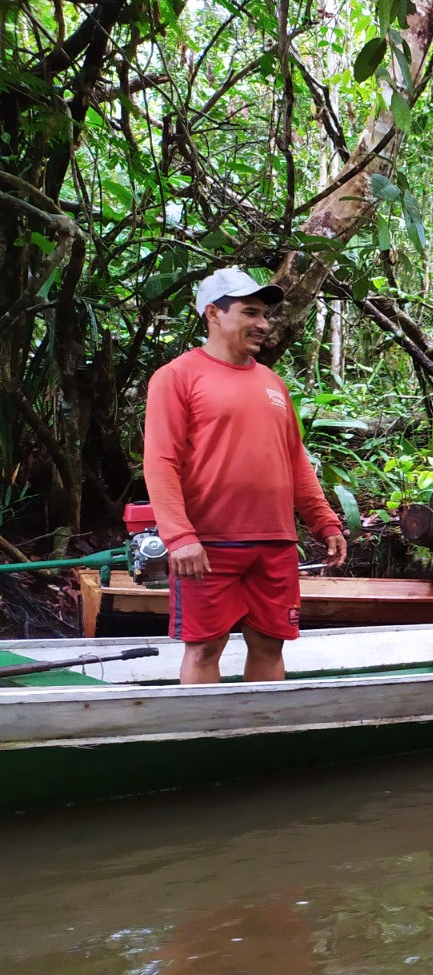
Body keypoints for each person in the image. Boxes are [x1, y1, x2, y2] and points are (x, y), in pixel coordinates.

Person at [143, 266, 348, 686]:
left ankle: (263, 741)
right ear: (213, 315)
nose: (263, 324)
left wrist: (323, 520)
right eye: (250, 312)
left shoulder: (273, 383)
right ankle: (202, 747)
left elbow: (294, 461)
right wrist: (179, 537)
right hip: (209, 543)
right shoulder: (176, 377)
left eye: (265, 315)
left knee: (270, 643)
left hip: (274, 541)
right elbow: (160, 461)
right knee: (205, 646)